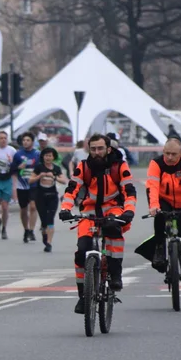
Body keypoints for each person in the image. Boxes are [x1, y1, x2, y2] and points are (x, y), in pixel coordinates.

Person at [59, 134, 137, 314]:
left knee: (113, 232)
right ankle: (82, 297)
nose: (96, 152)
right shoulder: (84, 166)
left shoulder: (119, 165)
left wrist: (129, 211)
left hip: (113, 208)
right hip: (89, 211)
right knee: (81, 251)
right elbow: (72, 188)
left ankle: (115, 274)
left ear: (108, 149)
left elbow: (129, 190)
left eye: (100, 148)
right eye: (93, 149)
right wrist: (65, 208)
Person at [139, 138, 181, 298]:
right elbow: (152, 186)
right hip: (164, 200)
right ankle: (160, 247)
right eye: (167, 153)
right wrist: (153, 206)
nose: (170, 157)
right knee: (160, 216)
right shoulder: (156, 163)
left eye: (174, 154)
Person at [29, 147, 67, 253]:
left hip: (52, 197)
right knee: (44, 221)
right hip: (40, 197)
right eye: (46, 155)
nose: (48, 158)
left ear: (53, 157)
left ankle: (49, 243)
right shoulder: (38, 167)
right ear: (43, 157)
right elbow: (30, 180)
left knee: (50, 220)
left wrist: (54, 177)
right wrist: (39, 176)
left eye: (50, 155)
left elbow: (64, 181)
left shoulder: (56, 168)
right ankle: (45, 236)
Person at [11, 132, 41, 243]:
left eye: (28, 140)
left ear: (32, 142)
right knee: (23, 209)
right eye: (24, 140)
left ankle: (32, 230)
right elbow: (12, 169)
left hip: (33, 184)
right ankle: (26, 229)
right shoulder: (18, 154)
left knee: (33, 207)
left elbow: (41, 167)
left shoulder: (37, 154)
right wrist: (18, 167)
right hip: (21, 185)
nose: (25, 142)